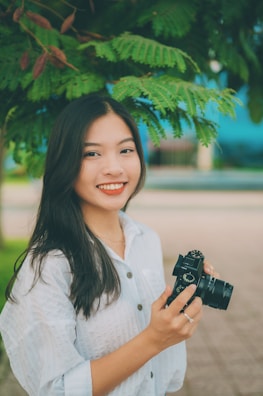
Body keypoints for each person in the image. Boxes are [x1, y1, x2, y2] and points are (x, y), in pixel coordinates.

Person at [0, 94, 218, 396]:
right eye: (92, 154)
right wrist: (154, 338)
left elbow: (160, 376)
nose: (114, 168)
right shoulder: (50, 266)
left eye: (126, 150)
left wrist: (178, 310)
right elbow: (58, 390)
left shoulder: (146, 240)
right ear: (65, 162)